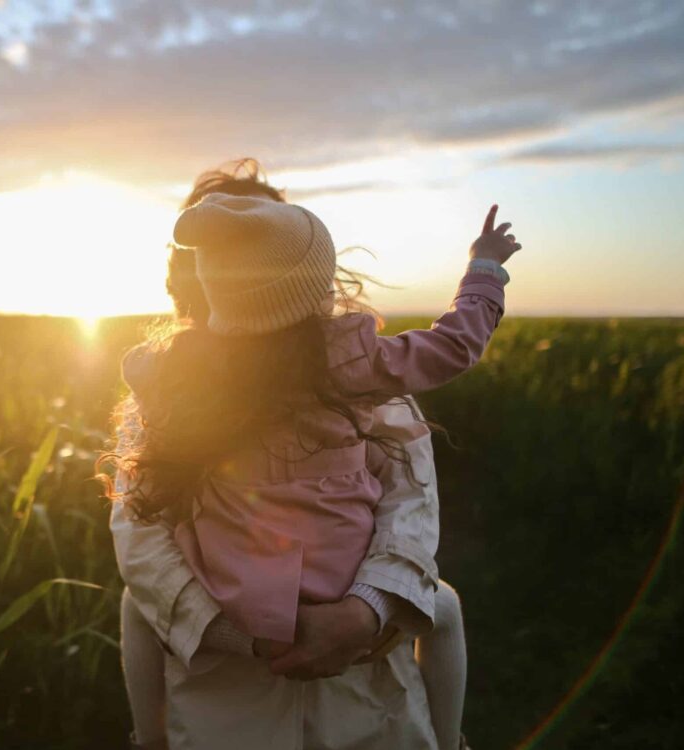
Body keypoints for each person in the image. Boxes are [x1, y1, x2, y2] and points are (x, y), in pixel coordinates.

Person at [107, 160, 517, 749]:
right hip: (233, 679)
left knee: (134, 608)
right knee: (443, 605)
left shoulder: (175, 378)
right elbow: (140, 537)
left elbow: (410, 500)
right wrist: (484, 271)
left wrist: (362, 613)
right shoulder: (357, 365)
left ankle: (146, 741)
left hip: (353, 676)